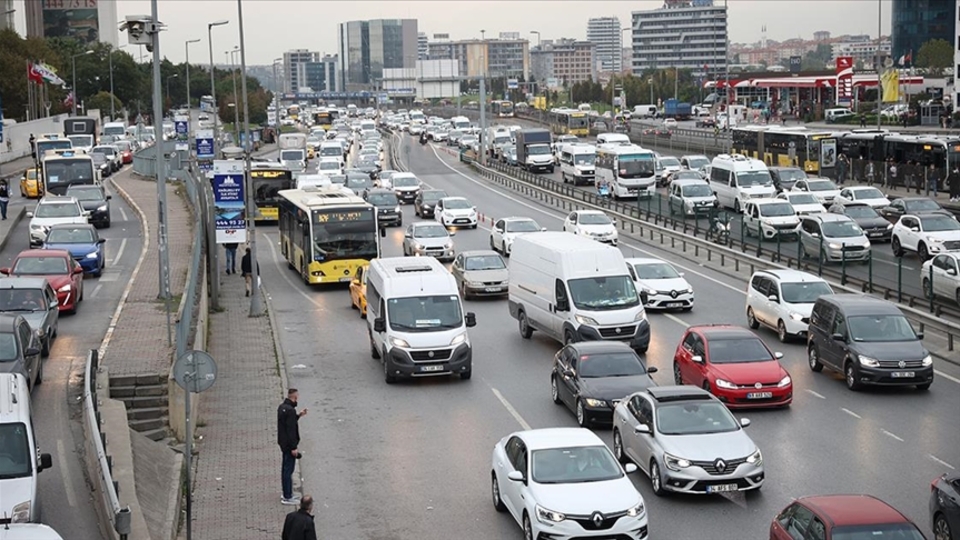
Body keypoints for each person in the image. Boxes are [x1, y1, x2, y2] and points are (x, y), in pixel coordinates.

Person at [277, 388, 307, 505]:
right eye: (297, 397)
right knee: (288, 470)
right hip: (289, 446)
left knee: (285, 468)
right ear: (294, 397)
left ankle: (286, 492)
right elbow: (291, 430)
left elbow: (287, 423)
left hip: (283, 444)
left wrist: (298, 415)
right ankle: (287, 495)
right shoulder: (290, 411)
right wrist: (294, 447)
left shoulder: (282, 407)